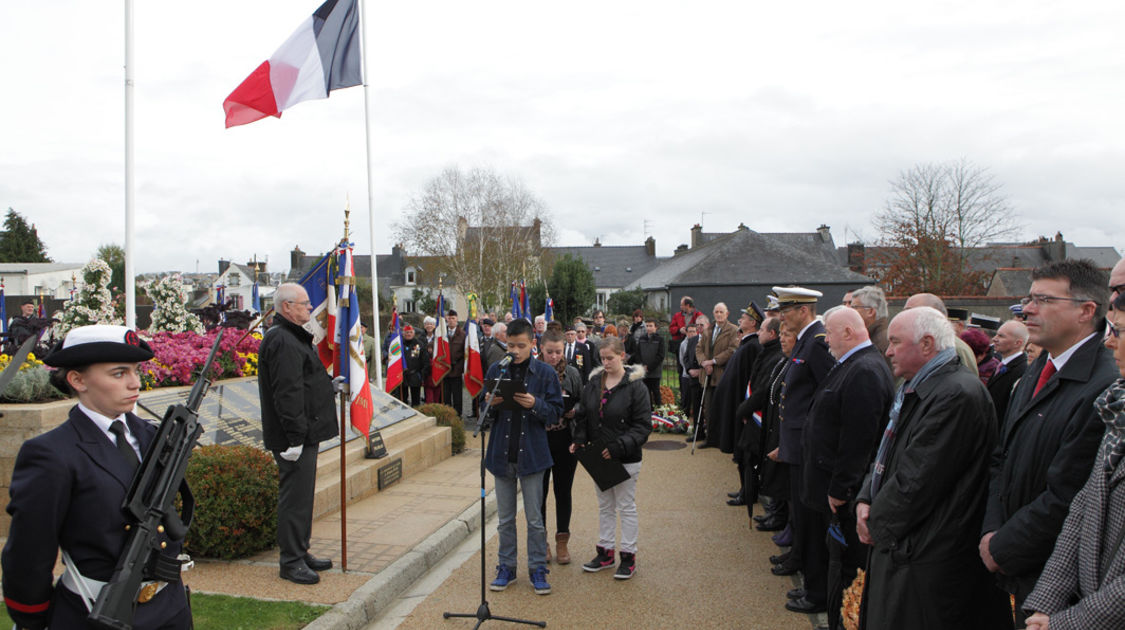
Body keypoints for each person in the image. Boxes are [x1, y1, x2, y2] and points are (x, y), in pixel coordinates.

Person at [1, 325, 193, 629]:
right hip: (95, 612)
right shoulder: (51, 454)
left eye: (134, 371)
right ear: (77, 380)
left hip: (170, 608)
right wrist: (31, 617)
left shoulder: (151, 436)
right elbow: (30, 553)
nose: (134, 383)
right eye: (118, 374)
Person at [856, 307, 1012, 629]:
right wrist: (865, 498)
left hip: (926, 557)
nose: (887, 351)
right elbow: (887, 451)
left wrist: (874, 522)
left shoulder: (956, 395)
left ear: (927, 344)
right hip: (909, 547)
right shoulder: (919, 386)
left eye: (896, 342)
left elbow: (917, 480)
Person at [980, 260, 1117, 622]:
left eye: (1043, 299)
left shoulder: (1102, 388)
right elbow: (1002, 458)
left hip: (1056, 583)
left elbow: (1069, 495)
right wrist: (992, 531)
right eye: (1029, 298)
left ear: (1086, 311)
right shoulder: (1038, 370)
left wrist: (1003, 547)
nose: (1027, 309)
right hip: (1013, 566)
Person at [1024, 291, 1125, 629]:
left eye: (1120, 332)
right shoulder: (1117, 411)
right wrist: (1048, 603)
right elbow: (1084, 506)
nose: (1109, 343)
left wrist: (1067, 622)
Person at [795, 307, 893, 624]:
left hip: (841, 492)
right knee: (833, 556)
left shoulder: (864, 370)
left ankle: (843, 616)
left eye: (830, 335)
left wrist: (842, 488)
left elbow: (859, 440)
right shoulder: (852, 364)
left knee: (846, 562)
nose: (826, 343)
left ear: (849, 333)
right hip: (830, 483)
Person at [258, 283, 339, 585]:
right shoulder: (282, 340)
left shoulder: (293, 337)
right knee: (294, 500)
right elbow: (287, 394)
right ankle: (290, 561)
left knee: (303, 499)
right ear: (287, 307)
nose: (309, 308)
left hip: (305, 433)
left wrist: (328, 385)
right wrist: (294, 438)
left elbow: (304, 381)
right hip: (295, 438)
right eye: (304, 304)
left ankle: (300, 550)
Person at [482, 319, 564, 595]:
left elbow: (555, 412)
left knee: (534, 518)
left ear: (533, 344)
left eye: (520, 345)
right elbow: (485, 407)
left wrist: (536, 404)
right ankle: (506, 567)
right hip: (501, 453)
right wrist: (488, 403)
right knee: (504, 518)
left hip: (532, 454)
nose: (514, 350)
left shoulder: (545, 373)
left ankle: (538, 568)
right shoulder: (497, 368)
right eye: (510, 345)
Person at [572, 336, 652, 580]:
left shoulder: (636, 386)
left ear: (622, 356)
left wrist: (618, 446)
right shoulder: (594, 382)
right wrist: (579, 439)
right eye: (602, 358)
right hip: (599, 454)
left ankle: (628, 555)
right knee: (605, 505)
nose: (605, 362)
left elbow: (642, 426)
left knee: (625, 506)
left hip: (625, 457)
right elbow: (584, 414)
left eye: (610, 358)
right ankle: (605, 551)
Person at [772, 287, 834, 583]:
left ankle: (810, 570)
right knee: (798, 506)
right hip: (796, 440)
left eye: (786, 310)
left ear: (803, 310)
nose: (781, 316)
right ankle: (798, 556)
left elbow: (825, 396)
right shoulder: (806, 341)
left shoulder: (818, 342)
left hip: (805, 442)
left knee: (807, 511)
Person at [538, 330, 582, 565]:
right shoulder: (533, 371)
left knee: (563, 491)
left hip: (565, 439)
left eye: (558, 352)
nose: (554, 356)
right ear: (541, 349)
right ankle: (541, 541)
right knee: (540, 493)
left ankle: (562, 540)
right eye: (549, 352)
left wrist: (575, 410)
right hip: (540, 440)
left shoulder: (572, 372)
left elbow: (584, 399)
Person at [695, 302, 739, 447]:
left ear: (727, 314)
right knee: (708, 407)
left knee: (722, 407)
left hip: (722, 374)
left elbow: (732, 349)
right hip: (706, 375)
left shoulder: (733, 330)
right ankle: (710, 438)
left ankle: (723, 438)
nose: (718, 314)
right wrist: (703, 363)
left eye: (721, 312)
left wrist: (713, 362)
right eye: (716, 312)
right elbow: (699, 348)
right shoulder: (708, 329)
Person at [903, 293, 978, 376]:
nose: (903, 317)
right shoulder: (913, 343)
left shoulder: (955, 347)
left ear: (934, 314)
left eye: (910, 311)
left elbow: (966, 385)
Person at [987, 319, 1029, 422]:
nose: (994, 339)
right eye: (996, 335)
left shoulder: (1022, 370)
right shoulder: (1002, 364)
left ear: (1017, 343)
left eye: (1001, 336)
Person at [633, 318, 666, 409]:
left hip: (654, 372)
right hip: (644, 371)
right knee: (646, 393)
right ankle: (648, 411)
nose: (648, 328)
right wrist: (642, 366)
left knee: (656, 392)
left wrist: (649, 367)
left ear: (656, 327)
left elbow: (660, 356)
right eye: (647, 326)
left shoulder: (660, 339)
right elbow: (638, 353)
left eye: (651, 326)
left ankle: (658, 411)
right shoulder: (642, 338)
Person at [849, 286, 889, 356]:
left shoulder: (882, 342)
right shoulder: (873, 337)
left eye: (855, 307)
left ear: (870, 311)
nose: (850, 311)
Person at [678, 323, 703, 423]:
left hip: (697, 375)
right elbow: (682, 359)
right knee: (685, 400)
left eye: (694, 331)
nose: (692, 333)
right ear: (686, 333)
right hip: (686, 374)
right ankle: (683, 422)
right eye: (690, 331)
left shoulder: (699, 342)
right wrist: (688, 369)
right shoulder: (683, 344)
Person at [444, 310, 467, 416]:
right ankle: (448, 415)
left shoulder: (462, 335)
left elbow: (465, 353)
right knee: (446, 395)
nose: (451, 321)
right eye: (449, 318)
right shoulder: (442, 333)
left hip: (456, 369)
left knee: (457, 395)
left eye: (453, 318)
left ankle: (458, 416)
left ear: (457, 319)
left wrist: (461, 367)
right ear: (446, 319)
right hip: (445, 370)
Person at [399, 324, 426, 407]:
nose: (408, 334)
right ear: (403, 333)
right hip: (402, 376)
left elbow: (424, 360)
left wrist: (422, 374)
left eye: (410, 332)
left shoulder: (418, 344)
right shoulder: (399, 344)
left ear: (414, 333)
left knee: (416, 400)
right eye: (407, 332)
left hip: (415, 375)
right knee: (402, 400)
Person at [423, 316, 442, 403]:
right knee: (428, 393)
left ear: (434, 326)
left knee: (438, 392)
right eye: (427, 324)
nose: (429, 326)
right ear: (424, 326)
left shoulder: (439, 338)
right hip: (426, 369)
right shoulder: (421, 338)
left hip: (437, 368)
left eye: (431, 324)